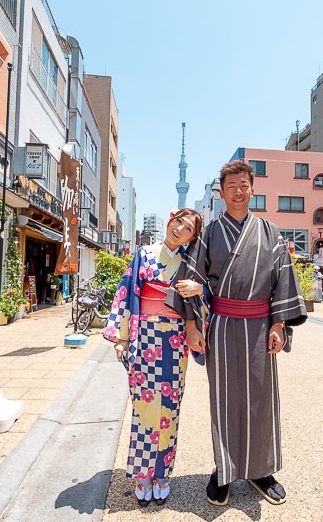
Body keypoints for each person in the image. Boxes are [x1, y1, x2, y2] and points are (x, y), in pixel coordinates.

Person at [167, 159, 308, 507]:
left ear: (252, 188)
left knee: (261, 398)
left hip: (261, 327)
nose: (238, 190)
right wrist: (191, 326)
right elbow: (191, 280)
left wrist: (279, 324)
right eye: (231, 185)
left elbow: (283, 281)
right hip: (223, 326)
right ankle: (224, 469)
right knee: (225, 398)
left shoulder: (271, 232)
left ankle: (260, 470)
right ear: (222, 192)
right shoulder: (210, 233)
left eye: (244, 184)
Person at [103, 208, 204, 507]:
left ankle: (163, 474)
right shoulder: (143, 253)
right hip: (143, 335)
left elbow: (206, 297)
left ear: (192, 237)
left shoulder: (189, 263)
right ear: (170, 221)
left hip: (174, 338)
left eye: (187, 228)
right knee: (143, 406)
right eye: (177, 222)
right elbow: (127, 293)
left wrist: (199, 288)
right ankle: (142, 474)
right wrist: (121, 338)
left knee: (170, 407)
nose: (179, 229)